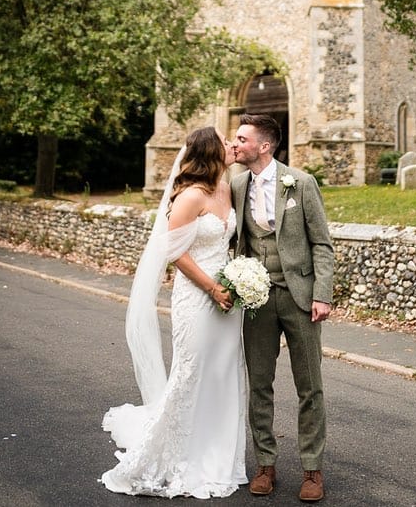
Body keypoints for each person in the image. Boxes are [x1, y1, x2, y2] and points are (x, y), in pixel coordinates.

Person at [100, 126, 247, 499]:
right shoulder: (190, 196)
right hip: (197, 296)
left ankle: (216, 453)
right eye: (225, 142)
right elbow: (174, 252)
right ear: (210, 151)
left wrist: (238, 282)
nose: (232, 144)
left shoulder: (227, 188)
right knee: (191, 372)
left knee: (223, 372)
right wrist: (212, 287)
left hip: (228, 297)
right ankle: (172, 454)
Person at [231, 113, 334, 503]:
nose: (235, 143)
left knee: (310, 386)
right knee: (259, 384)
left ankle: (312, 470)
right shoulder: (237, 185)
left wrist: (322, 294)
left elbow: (322, 244)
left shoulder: (301, 183)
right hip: (257, 299)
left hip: (300, 297)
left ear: (264, 146)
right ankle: (265, 464)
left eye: (242, 138)